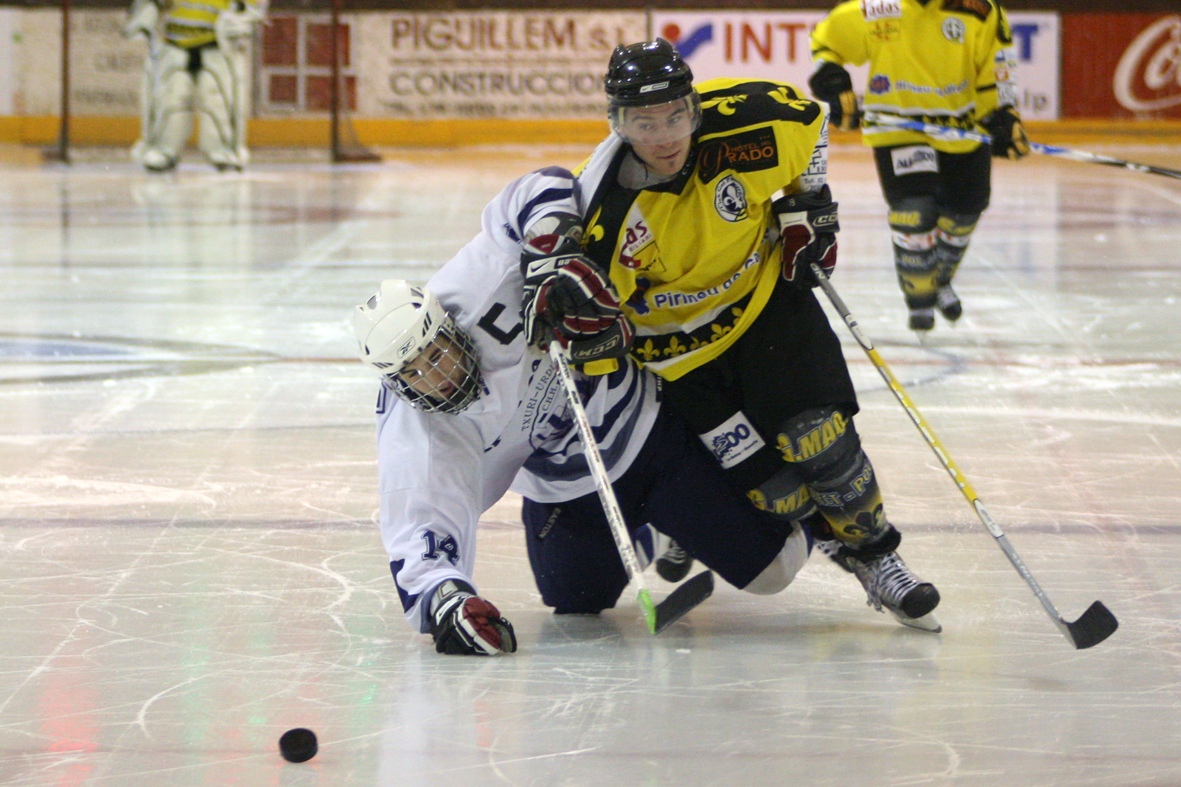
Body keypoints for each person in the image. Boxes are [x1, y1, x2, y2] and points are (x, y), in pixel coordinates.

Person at [524, 39, 941, 630]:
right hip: (682, 357)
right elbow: (598, 317)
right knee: (776, 494)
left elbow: (814, 125)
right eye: (644, 122)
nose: (666, 136)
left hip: (766, 307)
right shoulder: (605, 211)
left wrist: (809, 205)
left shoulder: (750, 121)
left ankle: (878, 557)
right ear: (618, 123)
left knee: (821, 440)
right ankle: (826, 539)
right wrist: (577, 326)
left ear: (695, 107)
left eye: (676, 116)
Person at [350, 167, 818, 656]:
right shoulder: (417, 429)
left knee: (775, 571)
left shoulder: (476, 288)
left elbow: (539, 185)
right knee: (572, 598)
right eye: (415, 374)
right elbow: (419, 524)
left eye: (436, 353)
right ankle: (659, 532)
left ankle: (812, 502)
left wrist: (552, 254)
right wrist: (450, 600)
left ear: (446, 323)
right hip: (566, 487)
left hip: (646, 434)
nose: (435, 376)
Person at [809, 0, 1029, 331]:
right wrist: (831, 75)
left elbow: (999, 63)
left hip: (963, 128)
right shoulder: (878, 6)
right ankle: (920, 296)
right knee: (914, 210)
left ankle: (938, 279)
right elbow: (829, 38)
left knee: (967, 208)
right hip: (898, 127)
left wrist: (1003, 112)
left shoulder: (980, 8)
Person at [124, 0, 265, 172]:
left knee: (218, 100)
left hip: (219, 46)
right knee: (171, 98)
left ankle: (223, 150)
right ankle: (164, 148)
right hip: (174, 44)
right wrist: (145, 16)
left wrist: (244, 18)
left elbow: (253, 7)